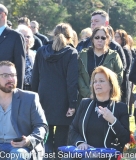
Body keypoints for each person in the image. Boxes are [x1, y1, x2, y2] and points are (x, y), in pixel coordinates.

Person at [31, 23, 78, 159]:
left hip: (43, 98)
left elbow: (35, 78)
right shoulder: (71, 53)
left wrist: (33, 100)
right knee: (61, 140)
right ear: (70, 37)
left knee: (45, 136)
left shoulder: (40, 51)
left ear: (54, 34)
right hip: (63, 100)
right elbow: (72, 82)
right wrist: (73, 104)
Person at [67, 66, 130, 160]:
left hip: (106, 154)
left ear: (111, 85)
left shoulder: (120, 107)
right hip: (84, 152)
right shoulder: (85, 103)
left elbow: (125, 139)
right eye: (95, 81)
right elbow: (73, 129)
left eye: (101, 81)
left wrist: (113, 121)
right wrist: (80, 142)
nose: (97, 84)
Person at [0, 61, 48, 160]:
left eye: (13, 75)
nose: (10, 79)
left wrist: (29, 140)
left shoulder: (30, 98)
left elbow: (42, 127)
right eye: (5, 75)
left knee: (17, 155)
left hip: (20, 147)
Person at [78, 26, 123, 100]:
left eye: (103, 38)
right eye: (97, 37)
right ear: (92, 39)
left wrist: (106, 93)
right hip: (85, 99)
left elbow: (119, 77)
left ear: (107, 39)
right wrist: (88, 94)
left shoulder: (114, 56)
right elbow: (78, 76)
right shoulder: (83, 54)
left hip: (107, 98)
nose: (100, 40)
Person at [0, 4, 25, 89]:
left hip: (6, 90)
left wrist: (17, 93)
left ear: (2, 15)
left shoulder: (16, 37)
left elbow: (20, 67)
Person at [114, 29, 132, 112]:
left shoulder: (125, 49)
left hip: (124, 80)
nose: (115, 39)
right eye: (115, 37)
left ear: (123, 38)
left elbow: (126, 67)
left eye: (117, 37)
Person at [16, 25, 36, 91]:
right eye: (23, 36)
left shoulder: (34, 54)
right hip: (17, 87)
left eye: (28, 36)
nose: (26, 38)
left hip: (31, 88)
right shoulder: (13, 53)